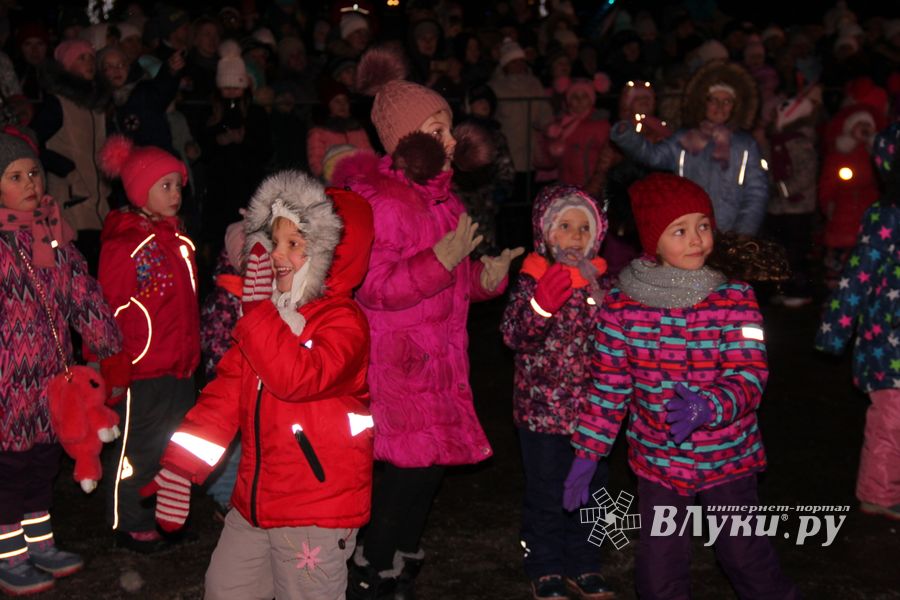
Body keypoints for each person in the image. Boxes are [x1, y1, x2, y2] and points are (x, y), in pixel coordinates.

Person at [334, 47, 524, 598]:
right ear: (404, 140)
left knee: (430, 465)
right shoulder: (384, 202)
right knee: (411, 469)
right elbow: (375, 287)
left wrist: (485, 277)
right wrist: (439, 261)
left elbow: (455, 280)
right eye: (436, 130)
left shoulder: (443, 200)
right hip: (399, 359)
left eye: (449, 128)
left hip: (438, 357)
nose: (450, 141)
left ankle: (399, 557)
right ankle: (373, 564)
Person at [564, 173, 800, 600]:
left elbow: (750, 372)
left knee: (743, 554)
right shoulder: (621, 306)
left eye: (703, 225)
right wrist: (588, 451)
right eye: (680, 230)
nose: (696, 239)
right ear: (653, 240)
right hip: (659, 460)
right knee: (660, 566)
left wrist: (710, 406)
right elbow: (609, 387)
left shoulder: (735, 298)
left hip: (728, 456)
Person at [145, 171, 375, 599]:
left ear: (332, 252)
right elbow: (223, 397)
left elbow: (296, 379)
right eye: (273, 241)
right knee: (226, 589)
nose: (277, 254)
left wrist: (258, 316)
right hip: (254, 501)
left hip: (314, 510)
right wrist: (181, 467)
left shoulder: (343, 322)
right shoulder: (267, 317)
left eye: (294, 243)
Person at [0, 128, 123, 595]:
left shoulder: (51, 234)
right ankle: (9, 555)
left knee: (43, 462)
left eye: (33, 173)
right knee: (10, 469)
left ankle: (40, 543)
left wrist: (107, 344)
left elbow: (81, 293)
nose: (30, 183)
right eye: (15, 177)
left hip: (53, 379)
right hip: (7, 383)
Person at [499, 184, 615, 600]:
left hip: (592, 416)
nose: (575, 237)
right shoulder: (532, 279)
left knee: (592, 493)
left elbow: (615, 342)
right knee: (547, 494)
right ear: (545, 233)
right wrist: (541, 306)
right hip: (542, 414)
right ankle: (545, 565)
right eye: (564, 227)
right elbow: (514, 335)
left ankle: (584, 563)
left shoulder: (600, 283)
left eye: (584, 228)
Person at [96, 136, 200, 554]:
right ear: (140, 191)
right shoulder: (127, 245)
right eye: (165, 186)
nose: (176, 194)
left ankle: (163, 514)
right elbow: (109, 309)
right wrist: (112, 361)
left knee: (173, 445)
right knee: (138, 448)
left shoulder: (177, 239)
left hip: (180, 365)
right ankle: (130, 521)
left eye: (178, 185)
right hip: (143, 369)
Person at [815, 123, 900, 521]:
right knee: (891, 419)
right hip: (889, 341)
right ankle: (878, 493)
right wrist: (835, 329)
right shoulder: (886, 217)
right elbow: (858, 276)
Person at [610, 60, 769, 236]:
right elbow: (653, 156)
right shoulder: (686, 139)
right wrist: (627, 136)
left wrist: (743, 234)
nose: (719, 107)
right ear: (703, 103)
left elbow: (756, 193)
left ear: (735, 106)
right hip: (691, 232)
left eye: (727, 101)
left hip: (730, 233)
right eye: (713, 100)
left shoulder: (745, 145)